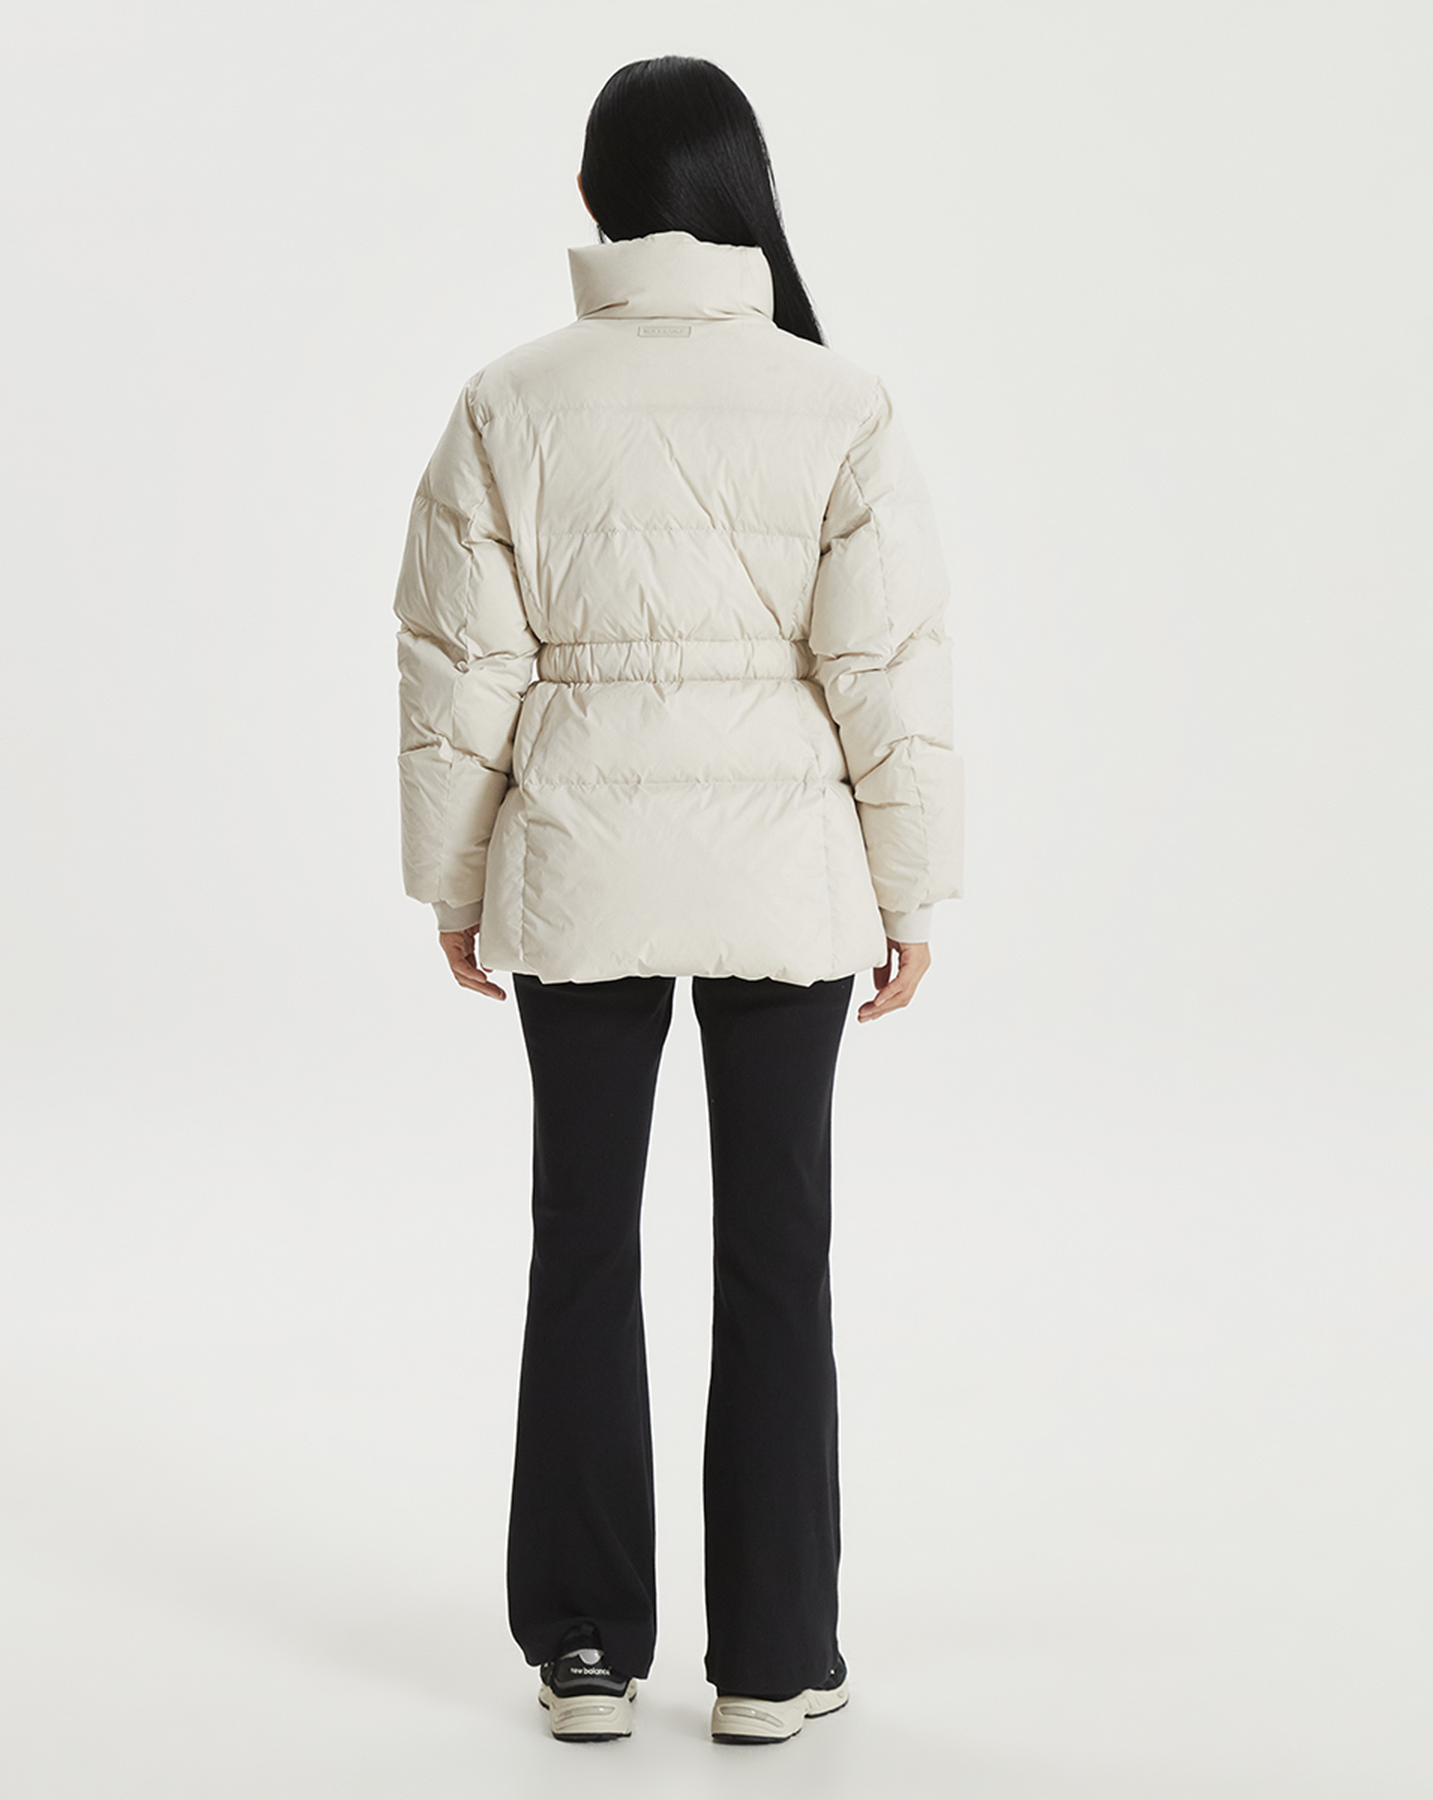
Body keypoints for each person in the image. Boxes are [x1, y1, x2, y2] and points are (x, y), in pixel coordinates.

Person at [392, 55, 963, 1746]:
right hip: (787, 874)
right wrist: (913, 887)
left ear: (592, 199)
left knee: (583, 1238)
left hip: (579, 863)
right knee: (779, 1248)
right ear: (741, 192)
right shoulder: (840, 402)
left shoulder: (507, 402)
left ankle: (584, 1648)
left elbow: (458, 666)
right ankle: (775, 1659)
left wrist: (453, 877)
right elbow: (888, 671)